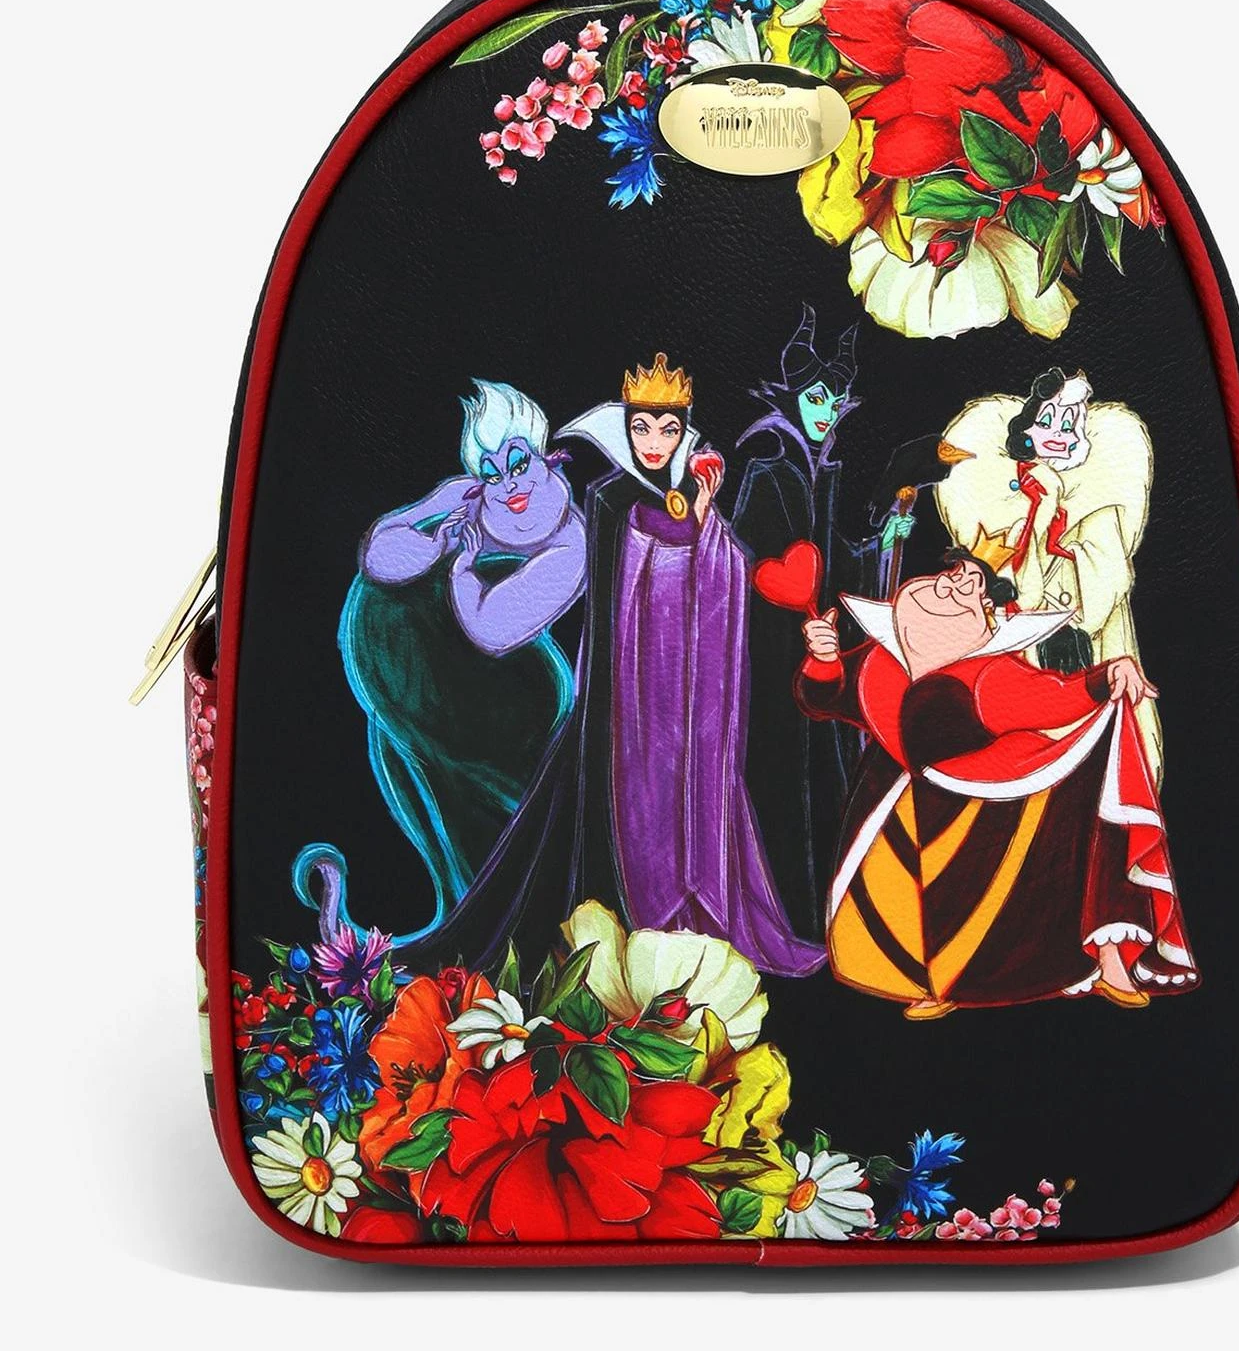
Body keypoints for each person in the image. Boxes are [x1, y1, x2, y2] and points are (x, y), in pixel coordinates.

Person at [416, 355, 823, 979]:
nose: (654, 442)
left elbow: (725, 579)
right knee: (638, 814)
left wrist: (706, 522)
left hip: (698, 699)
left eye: (668, 429)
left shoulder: (699, 497)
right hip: (631, 701)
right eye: (642, 428)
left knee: (697, 800)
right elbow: (599, 609)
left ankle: (704, 920)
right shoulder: (608, 503)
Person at [796, 546, 1196, 1018]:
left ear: (986, 621)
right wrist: (824, 659)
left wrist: (1107, 676)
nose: (953, 585)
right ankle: (921, 983)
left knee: (973, 911)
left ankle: (1090, 963)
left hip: (979, 820)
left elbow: (1053, 699)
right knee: (893, 912)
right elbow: (824, 699)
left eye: (973, 587)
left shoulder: (989, 674)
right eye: (950, 574)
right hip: (896, 817)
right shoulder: (876, 662)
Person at [294, 383, 585, 943]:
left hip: (500, 709)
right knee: (438, 817)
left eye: (518, 463)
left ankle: (483, 940)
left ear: (545, 454)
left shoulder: (570, 544)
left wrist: (460, 567)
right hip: (412, 700)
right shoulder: (467, 498)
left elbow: (492, 629)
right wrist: (432, 534)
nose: (508, 485)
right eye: (491, 473)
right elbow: (378, 555)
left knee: (485, 842)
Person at [730, 308, 899, 940]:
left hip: (818, 656)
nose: (826, 410)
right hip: (773, 661)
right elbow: (752, 566)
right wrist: (791, 624)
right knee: (779, 783)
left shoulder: (822, 471)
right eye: (816, 397)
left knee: (827, 780)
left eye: (835, 399)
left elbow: (839, 563)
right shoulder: (769, 472)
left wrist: (883, 541)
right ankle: (788, 914)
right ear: (795, 398)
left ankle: (828, 915)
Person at [935, 367, 1162, 775]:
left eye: (1070, 424)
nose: (1059, 433)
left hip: (1095, 651)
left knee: (1100, 763)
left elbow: (1105, 588)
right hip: (1019, 657)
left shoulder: (1102, 506)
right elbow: (1018, 589)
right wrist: (1042, 508)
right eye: (1046, 422)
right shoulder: (1002, 501)